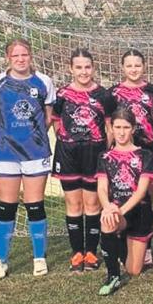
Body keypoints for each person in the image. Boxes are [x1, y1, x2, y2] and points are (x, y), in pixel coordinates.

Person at [0, 38, 55, 280]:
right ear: (8, 58)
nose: (20, 59)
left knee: (34, 205)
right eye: (15, 55)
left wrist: (32, 137)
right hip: (5, 152)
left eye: (24, 54)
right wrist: (7, 136)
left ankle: (39, 258)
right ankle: (1, 260)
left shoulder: (44, 81)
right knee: (6, 206)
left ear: (30, 55)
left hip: (35, 153)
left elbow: (48, 117)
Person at [52, 48, 114, 272]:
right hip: (68, 155)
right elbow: (56, 122)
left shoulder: (103, 95)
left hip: (94, 155)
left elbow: (109, 128)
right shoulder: (62, 94)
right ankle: (77, 253)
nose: (83, 71)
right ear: (71, 69)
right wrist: (68, 141)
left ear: (93, 68)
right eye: (78, 67)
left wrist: (103, 152)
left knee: (92, 204)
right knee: (73, 204)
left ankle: (91, 252)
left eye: (87, 67)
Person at [107, 49, 153, 270]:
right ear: (122, 67)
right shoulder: (114, 92)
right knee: (119, 194)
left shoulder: (152, 91)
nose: (133, 69)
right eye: (129, 65)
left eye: (137, 65)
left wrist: (144, 138)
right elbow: (110, 125)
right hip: (120, 152)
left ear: (144, 66)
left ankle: (145, 246)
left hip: (147, 150)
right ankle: (121, 242)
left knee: (147, 198)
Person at [97, 108, 153, 295]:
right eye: (117, 127)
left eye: (126, 127)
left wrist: (120, 211)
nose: (121, 132)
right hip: (118, 212)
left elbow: (141, 192)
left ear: (133, 128)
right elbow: (102, 188)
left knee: (134, 270)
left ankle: (122, 243)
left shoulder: (145, 155)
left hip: (139, 212)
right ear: (111, 128)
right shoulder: (105, 157)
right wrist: (108, 207)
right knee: (107, 220)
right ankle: (113, 276)